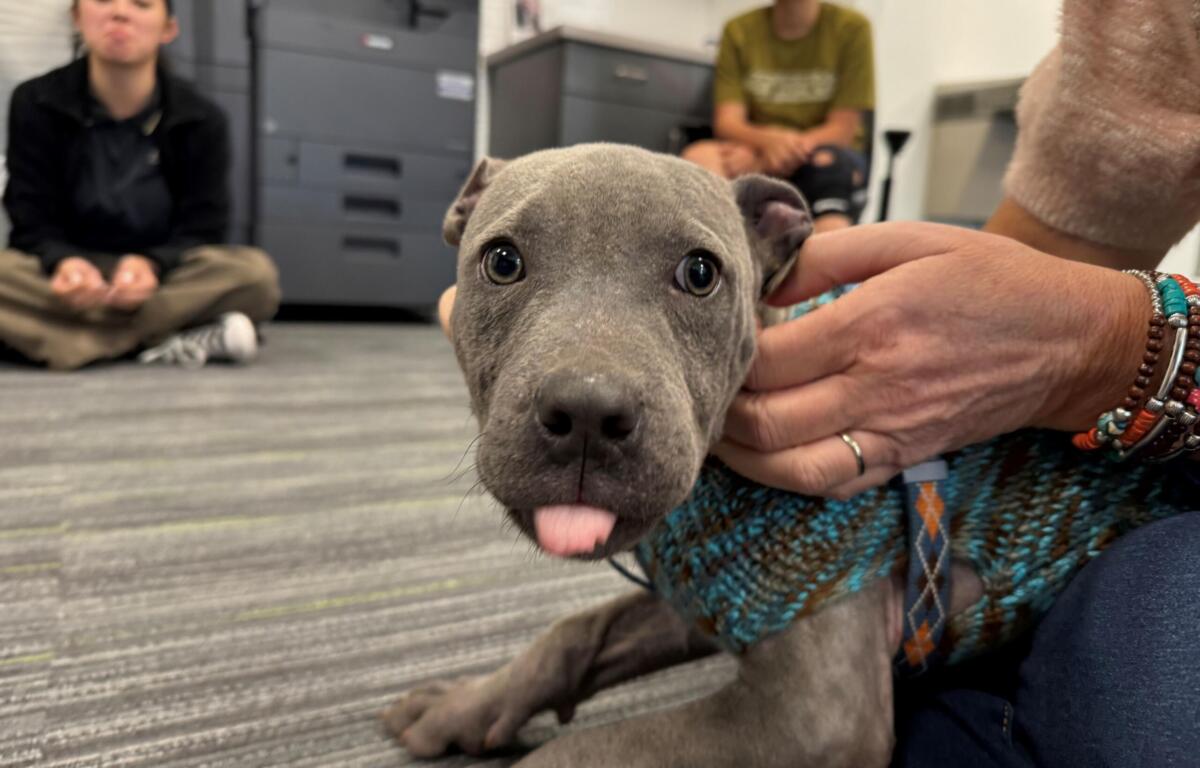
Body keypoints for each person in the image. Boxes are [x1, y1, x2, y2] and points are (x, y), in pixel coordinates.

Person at [710, 0, 1200, 763]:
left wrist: (1113, 344)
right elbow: (1056, 237)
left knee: (1131, 717)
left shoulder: (846, 30)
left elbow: (844, 128)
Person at [0, 0, 280, 371]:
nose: (119, 13)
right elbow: (31, 219)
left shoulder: (201, 118)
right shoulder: (36, 102)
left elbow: (202, 229)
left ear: (168, 28)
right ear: (76, 17)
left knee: (254, 276)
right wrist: (64, 261)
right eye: (102, 1)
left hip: (161, 276)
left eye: (142, 4)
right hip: (70, 274)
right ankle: (161, 339)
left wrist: (152, 264)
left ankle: (72, 343)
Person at [681, 0, 875, 233]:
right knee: (699, 156)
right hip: (756, 148)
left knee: (829, 167)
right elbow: (728, 122)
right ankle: (730, 248)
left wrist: (777, 153)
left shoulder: (852, 29)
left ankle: (823, 261)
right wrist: (767, 145)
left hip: (821, 151)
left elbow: (842, 130)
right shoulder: (738, 30)